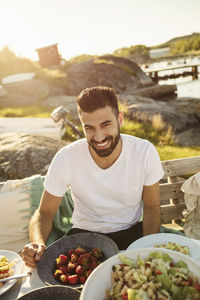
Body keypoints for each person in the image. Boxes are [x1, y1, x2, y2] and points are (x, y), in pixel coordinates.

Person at [21, 86, 164, 268]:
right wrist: (38, 243)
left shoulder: (144, 151)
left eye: (106, 125)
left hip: (131, 234)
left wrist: (148, 249)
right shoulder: (66, 157)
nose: (99, 137)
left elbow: (152, 207)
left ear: (120, 119)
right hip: (82, 239)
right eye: (89, 128)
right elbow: (44, 213)